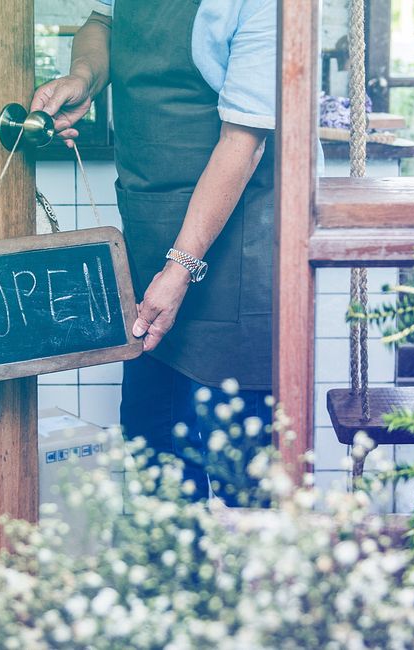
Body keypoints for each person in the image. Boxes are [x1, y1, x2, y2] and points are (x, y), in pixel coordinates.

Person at [32, 0, 276, 503]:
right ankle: (166, 574)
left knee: (240, 452)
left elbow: (244, 141)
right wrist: (84, 77)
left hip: (238, 233)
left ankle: (243, 576)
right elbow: (102, 21)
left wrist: (180, 267)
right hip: (150, 226)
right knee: (151, 432)